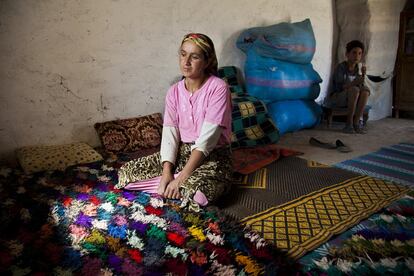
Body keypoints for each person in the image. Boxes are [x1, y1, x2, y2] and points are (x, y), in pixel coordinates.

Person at [115, 33, 233, 212]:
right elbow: (170, 135)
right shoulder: (174, 92)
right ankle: (169, 185)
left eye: (194, 57)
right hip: (182, 153)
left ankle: (186, 185)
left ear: (207, 61)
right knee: (126, 173)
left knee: (197, 195)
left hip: (212, 156)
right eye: (183, 54)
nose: (186, 62)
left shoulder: (218, 88)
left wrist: (181, 178)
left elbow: (206, 142)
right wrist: (166, 173)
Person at [327, 40, 370, 134]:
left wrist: (363, 75)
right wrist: (354, 83)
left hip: (352, 98)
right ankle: (348, 124)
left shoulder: (357, 68)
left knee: (366, 91)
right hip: (337, 97)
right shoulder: (341, 67)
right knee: (354, 90)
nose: (357, 56)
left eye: (359, 53)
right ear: (347, 54)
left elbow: (361, 87)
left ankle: (356, 123)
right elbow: (339, 88)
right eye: (354, 53)